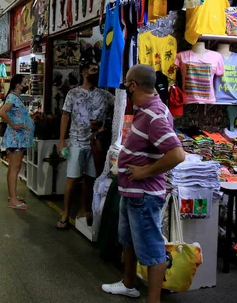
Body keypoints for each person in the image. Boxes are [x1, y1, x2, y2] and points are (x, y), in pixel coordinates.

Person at [102, 64, 185, 303]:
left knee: (151, 249)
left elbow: (177, 154)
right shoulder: (145, 110)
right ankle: (129, 283)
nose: (125, 87)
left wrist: (145, 171)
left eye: (127, 83)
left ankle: (153, 299)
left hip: (144, 195)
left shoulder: (154, 114)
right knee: (128, 241)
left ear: (133, 85)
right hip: (132, 192)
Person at [56, 61, 114, 229]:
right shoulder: (73, 93)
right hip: (75, 141)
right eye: (93, 69)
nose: (97, 72)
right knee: (72, 178)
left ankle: (83, 209)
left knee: (90, 179)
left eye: (98, 70)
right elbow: (65, 116)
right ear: (84, 72)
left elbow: (119, 106)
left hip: (95, 143)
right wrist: (61, 140)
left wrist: (103, 125)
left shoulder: (105, 95)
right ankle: (65, 213)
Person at [0, 74, 35, 210]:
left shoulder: (15, 97)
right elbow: (2, 112)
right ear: (17, 84)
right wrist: (13, 124)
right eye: (25, 83)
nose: (26, 85)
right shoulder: (13, 97)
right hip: (16, 139)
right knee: (15, 167)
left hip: (19, 138)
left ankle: (12, 195)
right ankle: (13, 200)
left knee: (13, 167)